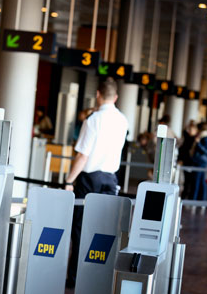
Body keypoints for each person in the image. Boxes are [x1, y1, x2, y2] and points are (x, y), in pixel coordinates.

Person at [63, 77, 128, 288]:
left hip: (89, 181)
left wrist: (69, 180)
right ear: (116, 97)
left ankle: (75, 278)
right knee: (105, 229)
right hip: (111, 180)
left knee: (81, 230)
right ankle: (99, 275)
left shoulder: (93, 120)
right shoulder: (123, 120)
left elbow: (83, 156)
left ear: (98, 94)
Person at [190, 122, 207, 200]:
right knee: (200, 182)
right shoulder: (204, 136)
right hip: (200, 162)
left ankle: (194, 201)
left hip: (200, 162)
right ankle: (200, 200)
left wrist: (198, 143)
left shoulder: (204, 138)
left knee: (196, 182)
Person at [179, 120, 198, 199]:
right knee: (187, 181)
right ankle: (184, 196)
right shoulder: (187, 137)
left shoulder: (195, 140)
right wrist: (189, 124)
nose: (190, 131)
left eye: (192, 129)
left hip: (191, 162)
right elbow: (184, 131)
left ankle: (188, 197)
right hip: (186, 162)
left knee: (190, 181)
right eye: (189, 129)